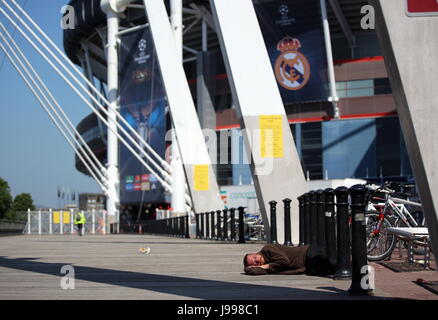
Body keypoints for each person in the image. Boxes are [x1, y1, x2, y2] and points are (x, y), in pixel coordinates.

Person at [243, 244, 336, 276]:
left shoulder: (267, 249)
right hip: (308, 266)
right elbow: (252, 272)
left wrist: (265, 266)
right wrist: (248, 268)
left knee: (333, 264)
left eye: (255, 258)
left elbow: (284, 261)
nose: (256, 261)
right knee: (330, 271)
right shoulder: (268, 268)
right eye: (254, 263)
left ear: (257, 253)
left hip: (308, 253)